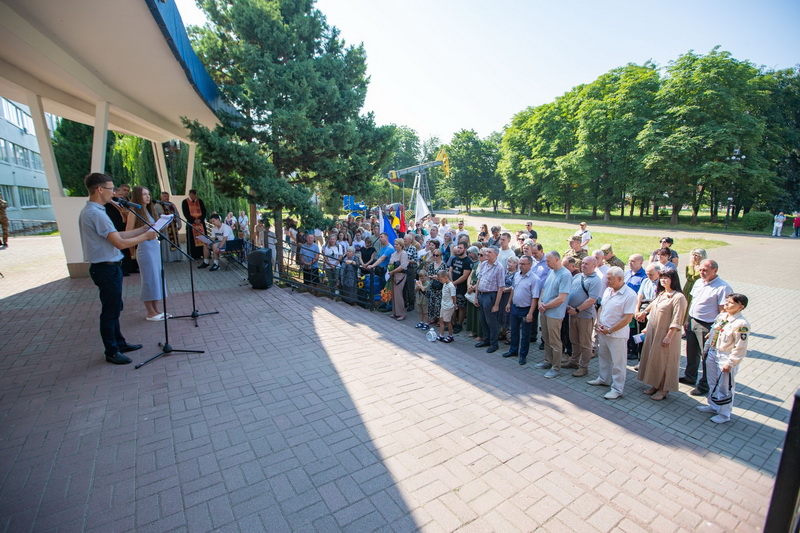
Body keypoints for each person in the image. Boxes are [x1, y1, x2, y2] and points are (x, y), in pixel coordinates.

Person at [79, 173, 157, 364]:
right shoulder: (96, 214)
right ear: (99, 190)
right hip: (105, 268)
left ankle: (119, 343)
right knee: (110, 311)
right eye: (111, 188)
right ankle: (111, 351)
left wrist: (142, 229)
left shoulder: (95, 211)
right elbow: (120, 243)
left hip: (108, 267)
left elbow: (118, 234)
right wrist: (145, 237)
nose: (114, 192)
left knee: (115, 307)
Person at [696, 293, 750, 424]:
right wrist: (706, 350)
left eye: (731, 302)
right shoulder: (721, 316)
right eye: (727, 301)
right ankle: (714, 406)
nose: (726, 304)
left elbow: (740, 347)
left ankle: (724, 414)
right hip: (713, 352)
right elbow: (712, 333)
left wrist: (731, 363)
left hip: (726, 356)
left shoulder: (741, 324)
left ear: (740, 307)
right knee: (712, 382)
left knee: (725, 387)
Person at [681, 259, 732, 396]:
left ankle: (704, 385)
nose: (702, 273)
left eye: (705, 270)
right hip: (692, 320)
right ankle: (689, 376)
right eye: (700, 270)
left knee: (706, 356)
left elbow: (724, 312)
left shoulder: (723, 288)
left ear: (715, 271)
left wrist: (716, 330)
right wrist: (687, 319)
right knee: (691, 352)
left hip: (707, 325)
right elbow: (692, 303)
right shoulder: (698, 282)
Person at [636, 268, 688, 401]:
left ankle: (664, 389)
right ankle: (655, 384)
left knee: (665, 362)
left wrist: (669, 336)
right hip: (654, 331)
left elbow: (677, 319)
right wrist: (645, 318)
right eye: (662, 277)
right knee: (655, 359)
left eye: (666, 278)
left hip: (666, 334)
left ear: (673, 279)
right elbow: (653, 308)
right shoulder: (662, 294)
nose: (663, 280)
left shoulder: (678, 297)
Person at [588, 267, 637, 399]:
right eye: (606, 278)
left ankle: (617, 389)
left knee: (618, 363)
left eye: (610, 278)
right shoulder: (608, 290)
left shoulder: (630, 295)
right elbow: (602, 307)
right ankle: (603, 379)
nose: (606, 281)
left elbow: (627, 318)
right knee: (603, 357)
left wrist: (610, 330)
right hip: (603, 331)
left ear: (620, 279)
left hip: (617, 335)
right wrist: (598, 322)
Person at [125, 186, 168, 320]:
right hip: (144, 248)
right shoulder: (134, 212)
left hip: (154, 246)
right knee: (149, 279)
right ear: (137, 196)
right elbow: (127, 232)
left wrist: (161, 225)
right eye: (144, 194)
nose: (148, 196)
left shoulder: (149, 211)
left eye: (148, 194)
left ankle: (156, 309)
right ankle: (150, 312)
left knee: (157, 278)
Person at [564, 256, 601, 377]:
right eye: (583, 263)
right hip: (572, 314)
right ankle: (574, 362)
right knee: (574, 339)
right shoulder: (577, 276)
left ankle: (584, 367)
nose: (583, 265)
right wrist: (569, 306)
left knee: (585, 343)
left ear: (594, 266)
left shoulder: (595, 280)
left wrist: (577, 309)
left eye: (587, 264)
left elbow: (592, 299)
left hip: (585, 316)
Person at [536, 251, 572, 377]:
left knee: (555, 341)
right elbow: (544, 289)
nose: (546, 263)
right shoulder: (551, 271)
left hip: (554, 314)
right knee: (545, 338)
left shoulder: (565, 275)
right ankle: (548, 361)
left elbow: (561, 298)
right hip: (544, 310)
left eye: (548, 261)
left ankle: (556, 367)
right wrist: (540, 302)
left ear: (557, 260)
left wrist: (545, 305)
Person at [503, 254, 540, 365]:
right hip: (515, 307)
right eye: (520, 264)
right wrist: (509, 303)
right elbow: (513, 290)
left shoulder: (535, 279)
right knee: (514, 331)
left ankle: (523, 355)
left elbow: (535, 298)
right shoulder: (517, 275)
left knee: (525, 334)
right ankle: (513, 350)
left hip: (526, 309)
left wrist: (530, 313)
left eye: (523, 264)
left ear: (530, 265)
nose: (521, 266)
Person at [474, 246, 505, 353]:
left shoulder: (499, 268)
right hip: (481, 295)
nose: (487, 254)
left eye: (489, 252)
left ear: (496, 254)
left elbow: (501, 287)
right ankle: (486, 340)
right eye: (486, 251)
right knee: (482, 319)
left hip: (490, 296)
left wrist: (496, 305)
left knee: (491, 321)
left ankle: (494, 344)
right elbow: (479, 280)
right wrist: (476, 296)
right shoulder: (483, 264)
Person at [105, 185, 137, 276]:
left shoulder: (122, 204)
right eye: (120, 194)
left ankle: (130, 267)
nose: (121, 197)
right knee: (123, 250)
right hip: (119, 230)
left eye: (122, 195)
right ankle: (124, 269)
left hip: (126, 229)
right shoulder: (109, 206)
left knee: (128, 251)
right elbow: (114, 219)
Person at [449, 242, 473, 334]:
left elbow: (465, 276)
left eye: (460, 248)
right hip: (453, 286)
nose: (458, 249)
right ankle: (453, 322)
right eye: (457, 247)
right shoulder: (454, 259)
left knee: (461, 306)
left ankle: (459, 324)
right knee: (453, 305)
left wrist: (454, 283)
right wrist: (451, 282)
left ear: (465, 249)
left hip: (462, 287)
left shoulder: (468, 261)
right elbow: (450, 271)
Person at [153, 191, 183, 263]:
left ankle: (177, 257)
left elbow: (177, 214)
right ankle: (168, 258)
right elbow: (155, 216)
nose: (167, 198)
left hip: (173, 227)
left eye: (167, 196)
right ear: (161, 197)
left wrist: (179, 223)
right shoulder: (157, 206)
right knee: (166, 243)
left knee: (175, 242)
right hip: (165, 228)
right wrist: (158, 228)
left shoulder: (171, 205)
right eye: (165, 196)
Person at [181, 189, 208, 260]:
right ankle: (193, 254)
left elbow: (204, 211)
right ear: (189, 194)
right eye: (192, 196)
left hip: (200, 223)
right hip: (191, 223)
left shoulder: (200, 201)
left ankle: (204, 253)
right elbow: (185, 212)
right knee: (192, 240)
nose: (193, 197)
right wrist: (193, 220)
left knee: (203, 238)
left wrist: (200, 219)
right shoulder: (185, 202)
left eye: (194, 196)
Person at [425, 244, 448, 326]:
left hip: (440, 287)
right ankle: (433, 318)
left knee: (439, 303)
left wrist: (437, 277)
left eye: (437, 255)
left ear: (440, 256)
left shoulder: (444, 265)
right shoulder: (431, 265)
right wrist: (433, 276)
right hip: (432, 285)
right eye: (434, 255)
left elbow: (445, 275)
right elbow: (428, 274)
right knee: (432, 302)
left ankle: (439, 319)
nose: (435, 257)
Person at [682, 248, 707, 318]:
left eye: (696, 255)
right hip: (688, 287)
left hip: (698, 287)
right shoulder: (689, 266)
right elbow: (687, 277)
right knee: (685, 303)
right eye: (693, 255)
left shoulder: (703, 267)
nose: (694, 257)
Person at [388, 238, 409, 320]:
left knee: (398, 294)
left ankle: (401, 313)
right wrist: (390, 270)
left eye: (397, 244)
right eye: (395, 244)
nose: (395, 246)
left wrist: (393, 271)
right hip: (393, 275)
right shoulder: (393, 254)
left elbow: (403, 266)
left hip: (400, 276)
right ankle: (395, 312)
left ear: (401, 245)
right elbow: (390, 263)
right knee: (393, 294)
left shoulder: (403, 254)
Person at [437, 271, 456, 342]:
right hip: (443, 305)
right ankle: (441, 335)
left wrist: (455, 304)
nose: (440, 281)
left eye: (441, 279)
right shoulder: (444, 284)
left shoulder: (451, 286)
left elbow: (453, 296)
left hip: (448, 306)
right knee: (441, 320)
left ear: (445, 278)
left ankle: (450, 336)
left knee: (448, 322)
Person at [403, 234, 419, 312]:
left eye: (406, 239)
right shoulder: (402, 248)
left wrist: (406, 260)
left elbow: (415, 260)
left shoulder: (413, 249)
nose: (404, 240)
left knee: (410, 287)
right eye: (404, 239)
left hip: (410, 269)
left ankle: (411, 304)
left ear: (410, 240)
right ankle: (404, 302)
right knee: (403, 287)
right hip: (402, 269)